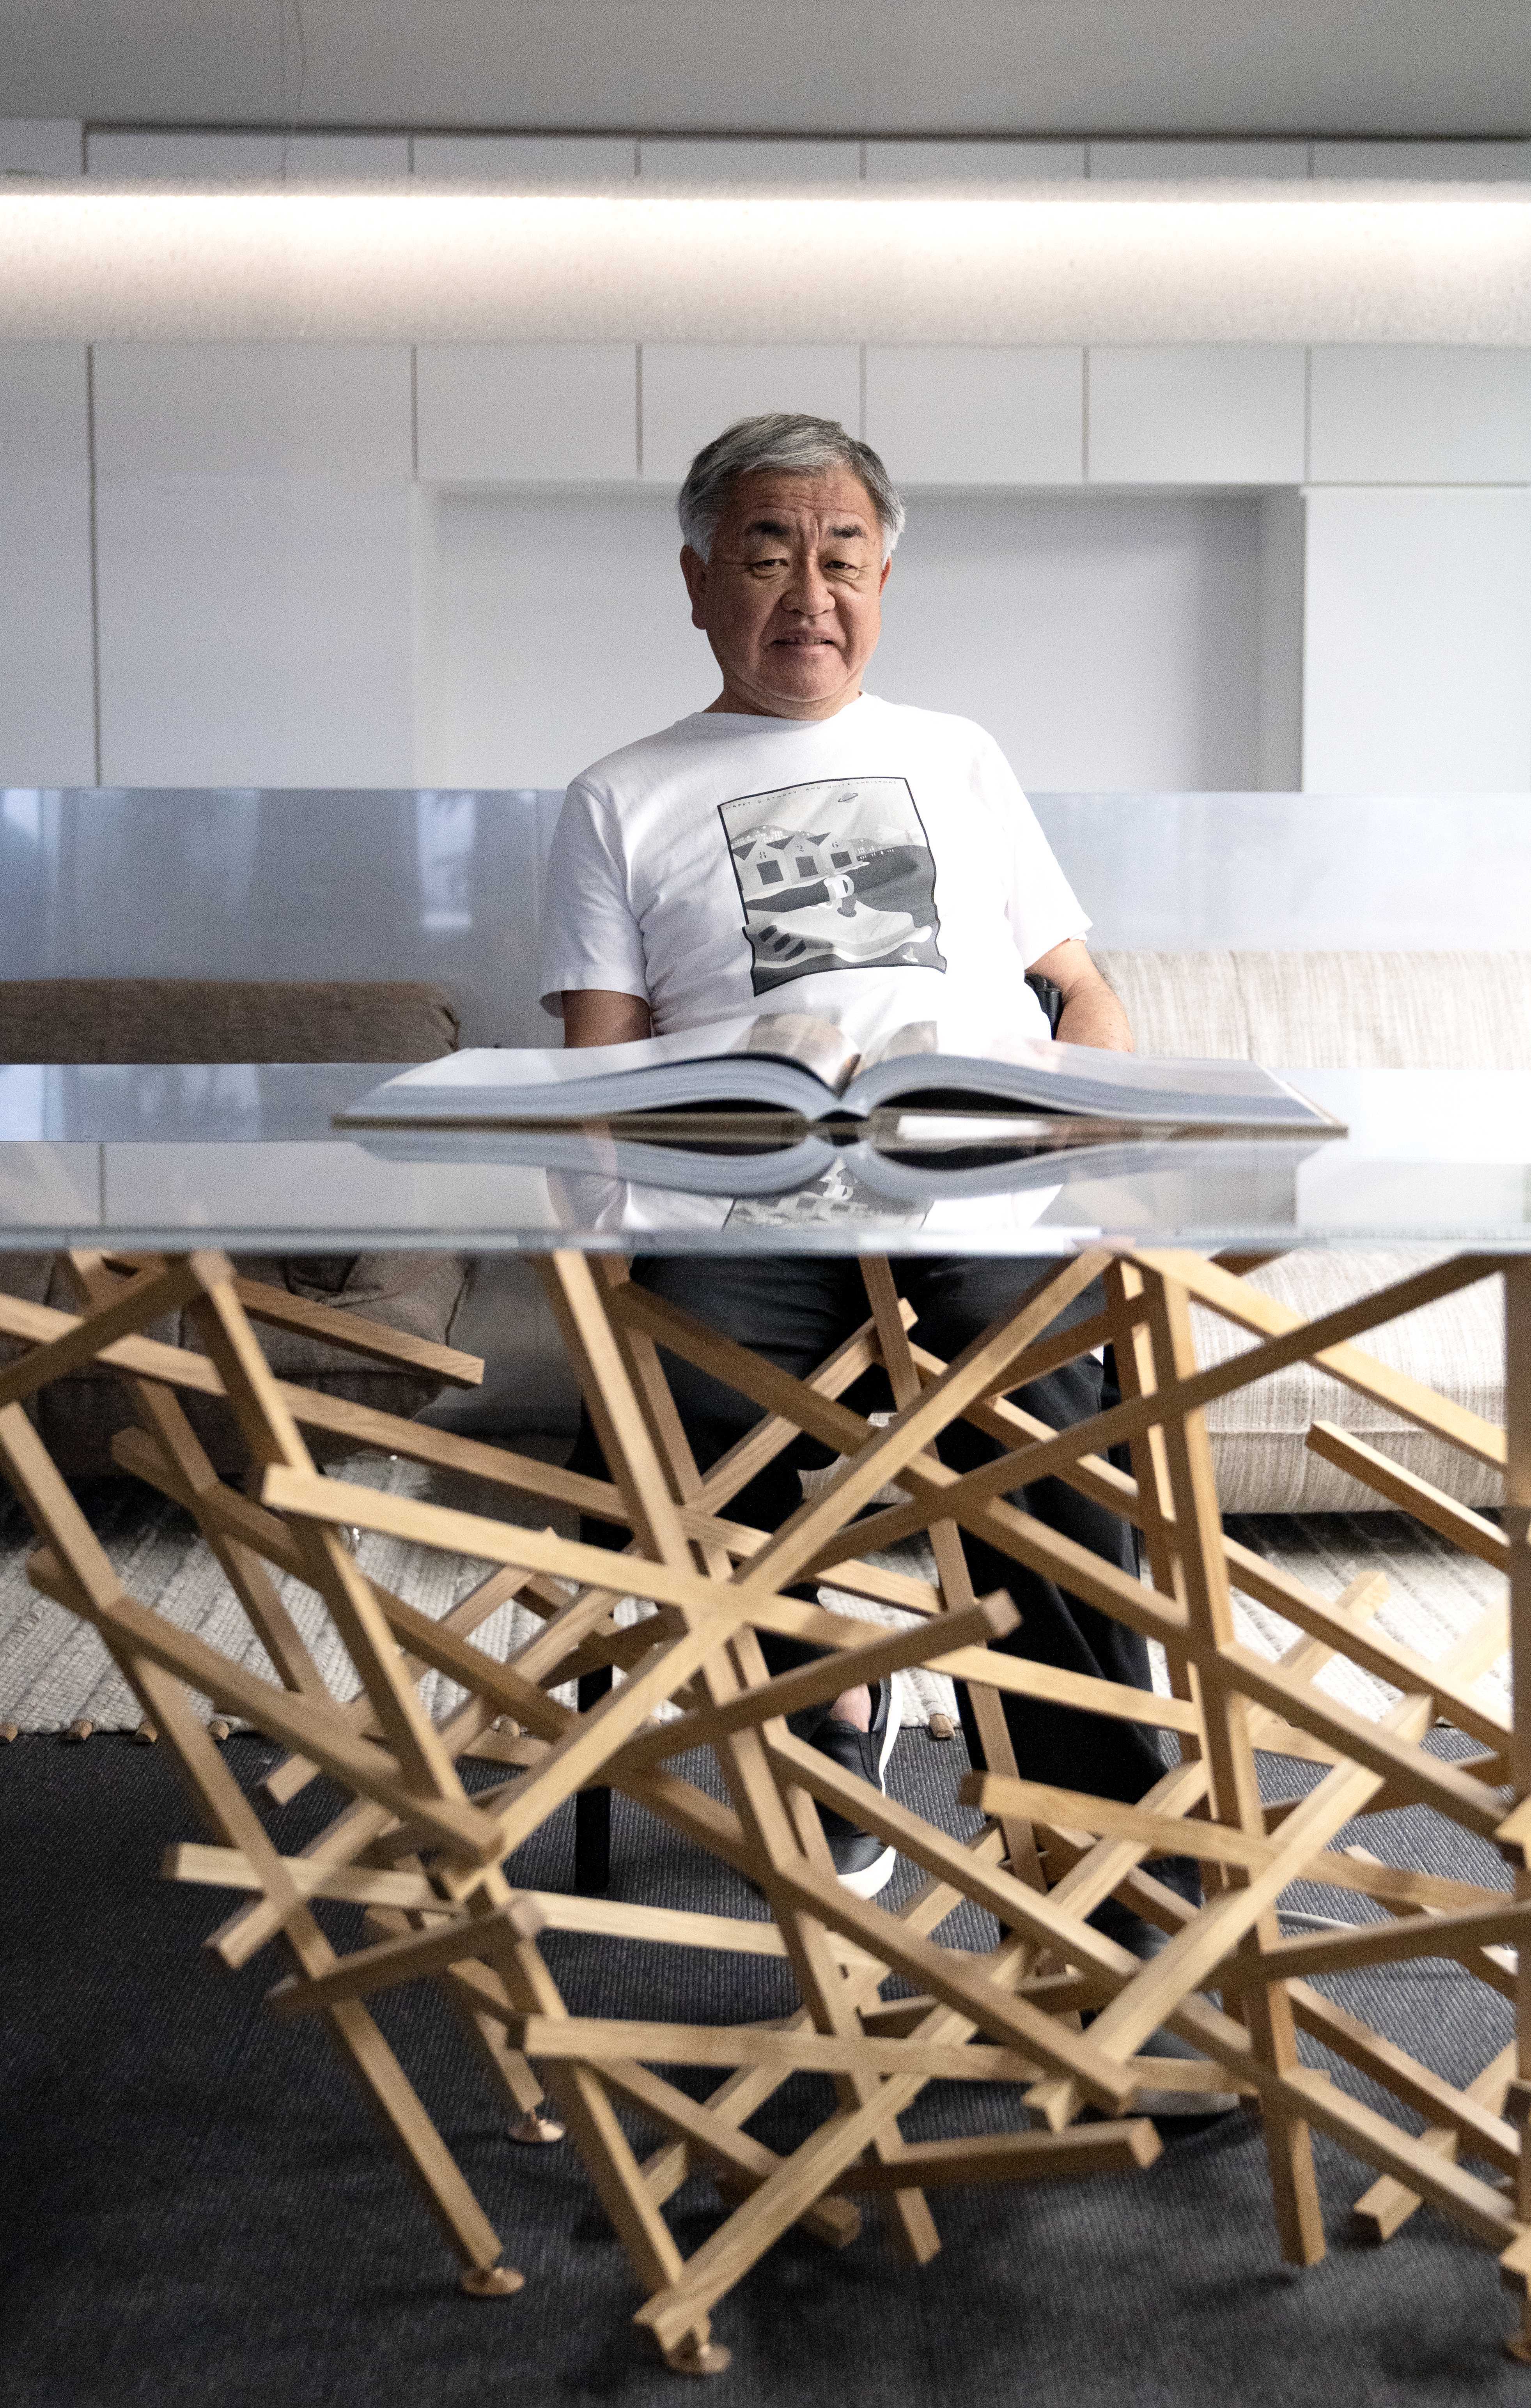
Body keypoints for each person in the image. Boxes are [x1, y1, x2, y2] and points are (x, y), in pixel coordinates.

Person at [541, 413, 1221, 2113]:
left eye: (841, 551)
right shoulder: (620, 791)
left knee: (1043, 1403)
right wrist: (622, 1205)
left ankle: (1108, 1858)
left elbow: (1084, 989)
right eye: (768, 550)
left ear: (885, 575)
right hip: (744, 1181)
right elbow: (598, 1066)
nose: (809, 587)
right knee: (699, 1407)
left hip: (973, 1160)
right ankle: (836, 1723)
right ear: (699, 580)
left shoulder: (960, 754)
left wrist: (1087, 1106)